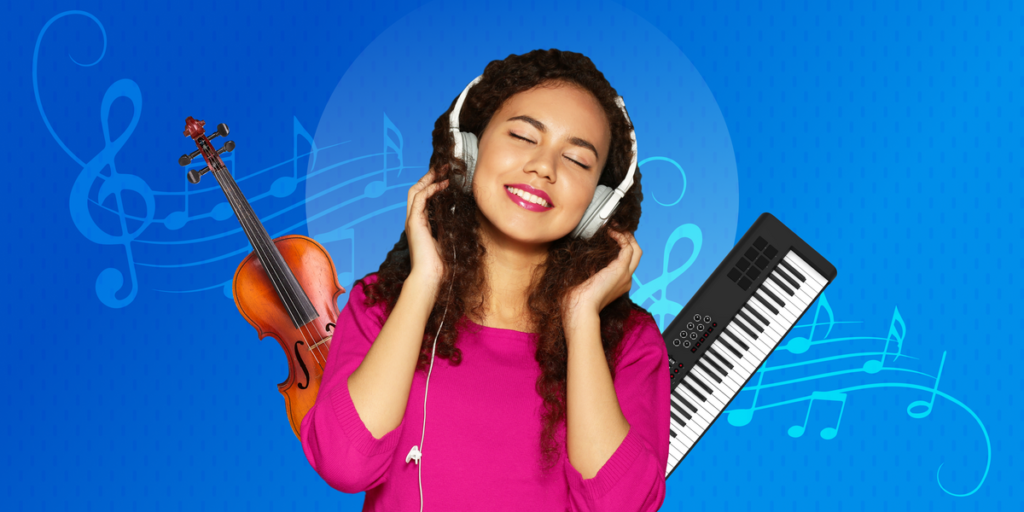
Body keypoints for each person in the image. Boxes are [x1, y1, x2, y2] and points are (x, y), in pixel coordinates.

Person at [300, 48, 668, 511]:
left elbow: (623, 505)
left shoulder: (630, 343)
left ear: (599, 204)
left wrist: (580, 322)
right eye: (522, 136)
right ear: (468, 150)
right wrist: (423, 281)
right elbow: (343, 465)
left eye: (576, 160)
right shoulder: (381, 305)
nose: (543, 167)